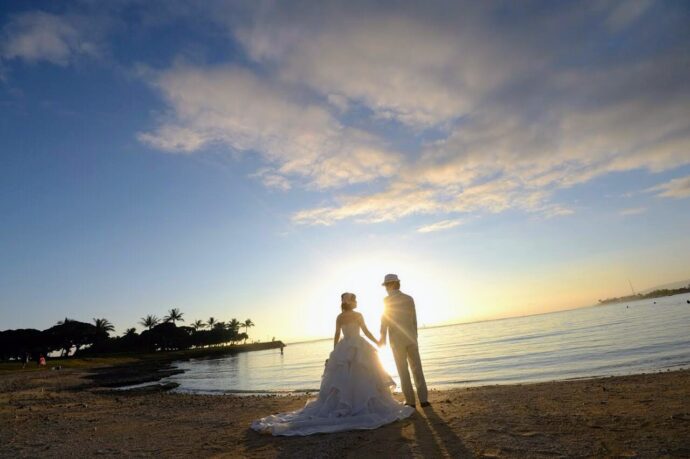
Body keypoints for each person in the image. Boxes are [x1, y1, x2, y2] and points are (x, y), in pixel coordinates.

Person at [251, 292, 414, 436]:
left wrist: (336, 353)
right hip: (358, 346)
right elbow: (366, 332)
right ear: (351, 302)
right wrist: (378, 342)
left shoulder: (339, 317)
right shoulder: (358, 315)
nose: (356, 302)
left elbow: (336, 335)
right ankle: (361, 403)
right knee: (363, 376)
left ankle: (345, 404)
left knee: (344, 379)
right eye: (355, 300)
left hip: (344, 347)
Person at [379, 274, 429, 408]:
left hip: (396, 339)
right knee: (417, 368)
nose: (385, 288)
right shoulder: (409, 298)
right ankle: (424, 400)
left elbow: (385, 319)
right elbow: (414, 319)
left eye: (386, 285)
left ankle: (411, 401)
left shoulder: (386, 300)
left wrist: (382, 336)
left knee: (403, 370)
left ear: (391, 285)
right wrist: (415, 335)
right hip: (411, 336)